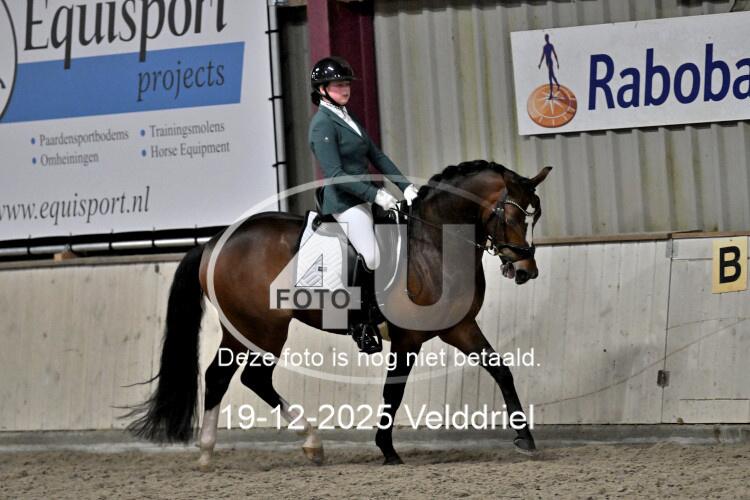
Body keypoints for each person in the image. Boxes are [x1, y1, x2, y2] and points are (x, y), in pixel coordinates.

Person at [308, 56, 418, 353]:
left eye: (346, 83)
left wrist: (406, 187)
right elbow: (335, 175)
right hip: (345, 202)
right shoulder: (321, 125)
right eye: (337, 84)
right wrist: (376, 195)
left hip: (368, 196)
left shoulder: (348, 117)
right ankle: (361, 322)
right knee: (371, 256)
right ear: (322, 89)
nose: (345, 89)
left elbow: (377, 155)